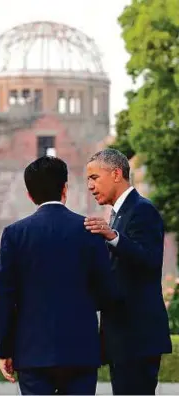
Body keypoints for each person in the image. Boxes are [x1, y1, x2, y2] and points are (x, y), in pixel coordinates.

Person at [0, 155, 121, 395]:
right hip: (80, 350)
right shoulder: (90, 230)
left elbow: (6, 297)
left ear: (30, 195)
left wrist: (4, 350)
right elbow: (107, 293)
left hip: (32, 351)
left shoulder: (14, 234)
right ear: (65, 188)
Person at [84, 148, 172, 395]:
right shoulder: (118, 214)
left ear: (115, 174)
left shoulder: (142, 210)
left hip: (137, 337)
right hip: (123, 337)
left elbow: (150, 260)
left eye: (94, 178)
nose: (90, 186)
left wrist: (112, 236)